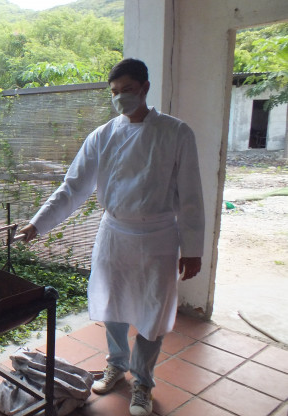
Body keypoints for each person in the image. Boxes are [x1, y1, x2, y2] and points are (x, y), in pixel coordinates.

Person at [19, 58, 205, 416]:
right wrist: (38, 223)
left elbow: (191, 196)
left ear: (145, 88)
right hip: (115, 233)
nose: (121, 98)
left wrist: (193, 248)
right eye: (115, 92)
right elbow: (73, 187)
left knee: (153, 310)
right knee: (114, 304)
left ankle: (143, 382)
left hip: (158, 236)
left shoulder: (175, 133)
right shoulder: (102, 136)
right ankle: (117, 365)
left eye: (128, 90)